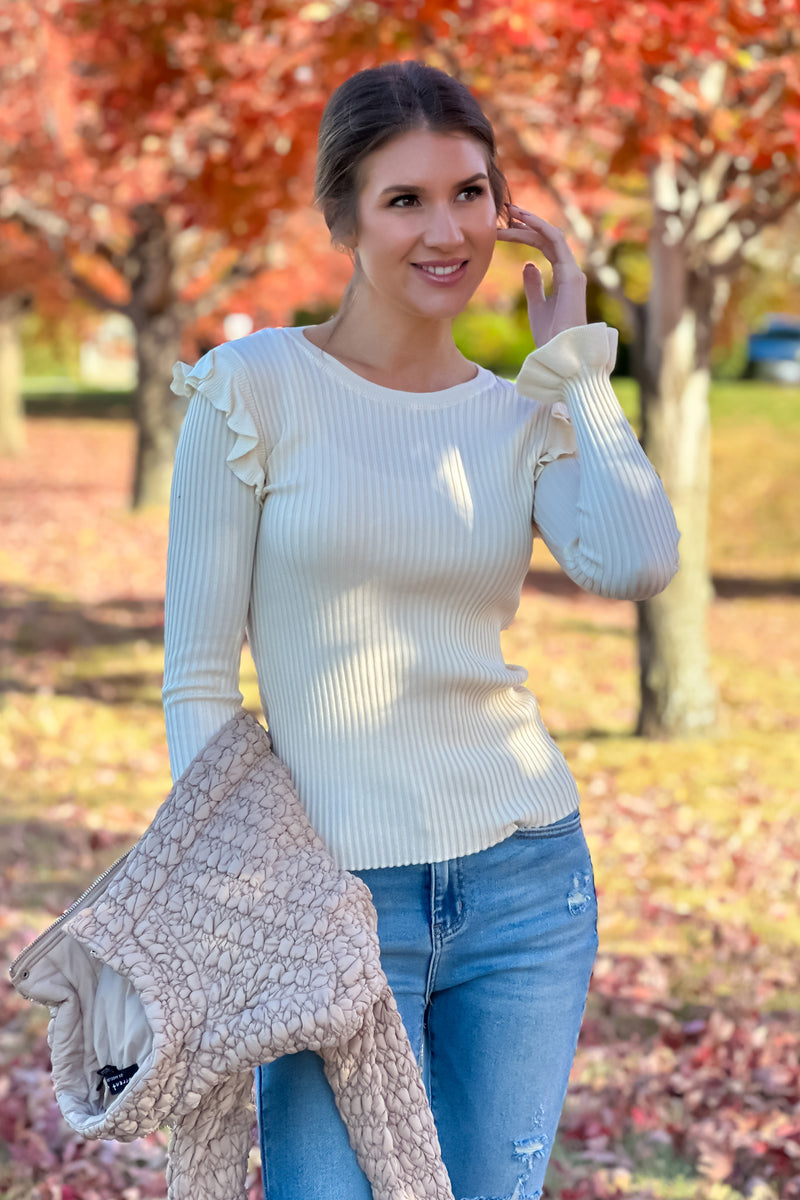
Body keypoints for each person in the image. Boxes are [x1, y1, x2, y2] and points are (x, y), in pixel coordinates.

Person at [165, 61, 679, 1200]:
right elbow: (196, 679)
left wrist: (579, 367)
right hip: (327, 900)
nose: (447, 230)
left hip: (523, 885)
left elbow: (638, 558)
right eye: (405, 199)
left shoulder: (516, 413)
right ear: (344, 217)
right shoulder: (250, 389)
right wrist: (256, 888)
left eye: (470, 193)